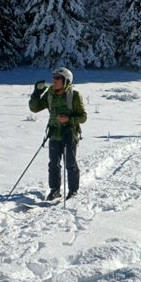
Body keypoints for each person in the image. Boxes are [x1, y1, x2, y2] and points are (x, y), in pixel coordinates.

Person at [28, 67, 87, 200]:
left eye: (57, 78)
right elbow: (34, 108)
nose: (54, 80)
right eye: (53, 77)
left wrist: (69, 119)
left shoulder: (75, 95)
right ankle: (55, 190)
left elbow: (83, 117)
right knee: (53, 164)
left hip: (69, 134)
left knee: (70, 164)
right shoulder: (50, 93)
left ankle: (73, 191)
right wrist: (36, 93)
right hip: (54, 133)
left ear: (66, 80)